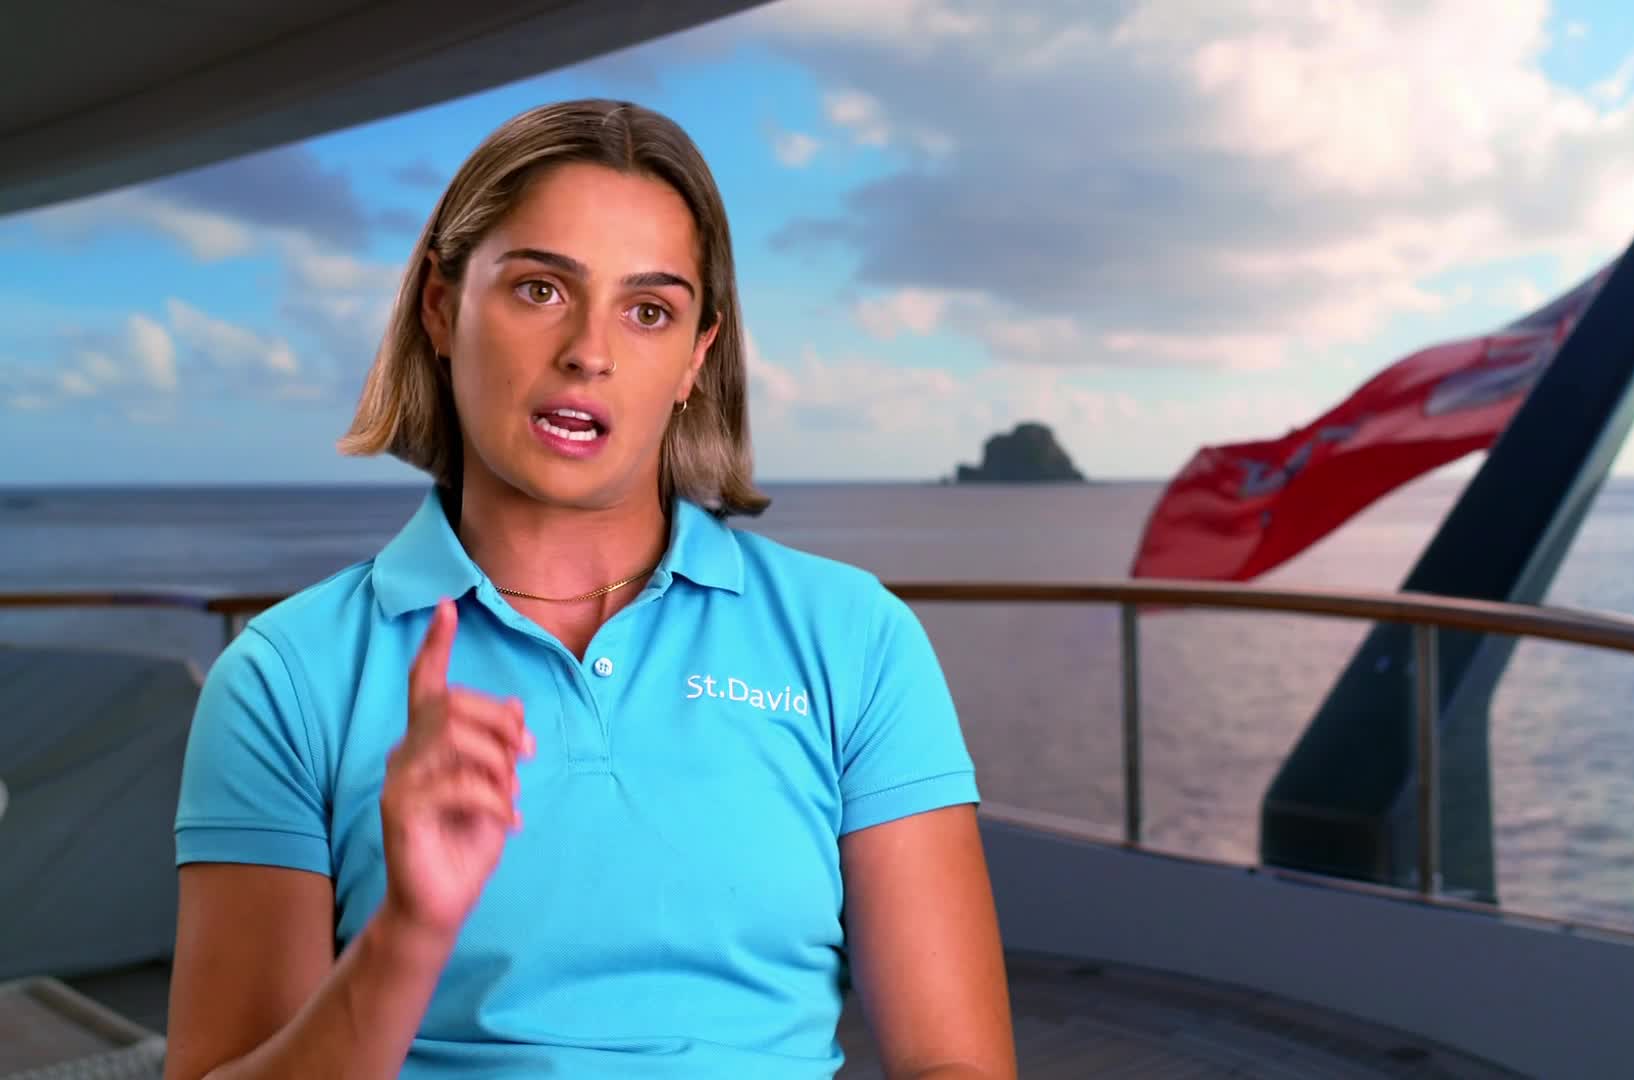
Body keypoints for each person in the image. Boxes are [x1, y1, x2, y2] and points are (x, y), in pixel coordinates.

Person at [163, 99, 1017, 1079]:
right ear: (441, 309)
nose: (589, 351)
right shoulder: (283, 677)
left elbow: (956, 1064)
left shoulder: (856, 640)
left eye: (648, 310)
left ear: (696, 357)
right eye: (539, 289)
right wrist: (407, 936)